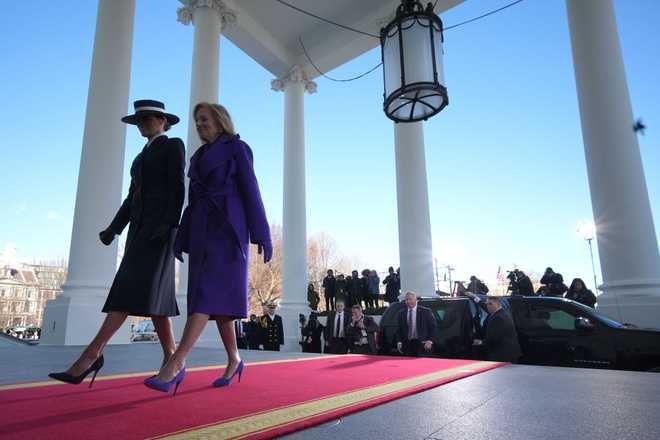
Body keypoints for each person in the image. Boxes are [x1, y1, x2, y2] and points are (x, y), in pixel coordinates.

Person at [49, 100, 185, 387]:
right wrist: (114, 229)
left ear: (163, 122)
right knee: (155, 299)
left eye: (148, 119)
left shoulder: (173, 145)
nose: (143, 124)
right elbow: (131, 198)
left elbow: (177, 188)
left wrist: (169, 226)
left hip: (160, 233)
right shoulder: (139, 158)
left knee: (126, 291)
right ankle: (173, 358)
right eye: (139, 121)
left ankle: (90, 354)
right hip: (138, 233)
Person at [144, 102, 272, 394]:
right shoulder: (198, 156)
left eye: (204, 119)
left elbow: (252, 190)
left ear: (220, 120)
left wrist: (262, 234)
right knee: (218, 304)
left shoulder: (238, 149)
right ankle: (235, 359)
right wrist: (182, 237)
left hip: (228, 232)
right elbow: (192, 203)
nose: (199, 124)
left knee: (205, 296)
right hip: (202, 232)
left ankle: (176, 364)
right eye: (197, 121)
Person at [472, 296, 522, 363]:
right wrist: (473, 297)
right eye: (487, 304)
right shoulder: (500, 313)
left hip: (502, 355)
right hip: (508, 353)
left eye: (490, 304)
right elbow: (484, 305)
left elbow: (494, 338)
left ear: (498, 304)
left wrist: (480, 342)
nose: (488, 306)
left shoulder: (498, 318)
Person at [395, 291, 437, 356]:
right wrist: (399, 341)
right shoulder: (401, 313)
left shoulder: (426, 311)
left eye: (410, 299)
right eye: (406, 300)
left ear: (415, 300)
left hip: (422, 344)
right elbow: (399, 329)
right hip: (407, 345)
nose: (408, 301)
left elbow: (433, 327)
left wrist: (430, 341)